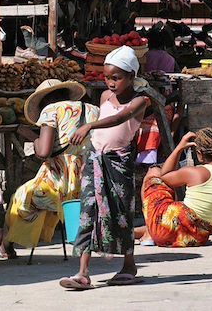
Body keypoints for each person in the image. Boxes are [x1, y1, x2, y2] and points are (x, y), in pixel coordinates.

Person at [59, 46, 148, 289]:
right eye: (107, 77)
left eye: (116, 78)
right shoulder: (104, 98)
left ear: (131, 76)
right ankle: (83, 272)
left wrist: (90, 126)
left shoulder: (141, 100)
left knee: (122, 213)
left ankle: (129, 264)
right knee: (88, 212)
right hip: (95, 162)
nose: (110, 83)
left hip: (119, 165)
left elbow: (120, 119)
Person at [0, 79, 99, 258]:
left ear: (45, 100)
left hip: (60, 183)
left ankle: (3, 241)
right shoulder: (93, 110)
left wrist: (31, 137)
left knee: (21, 197)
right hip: (88, 180)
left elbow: (43, 152)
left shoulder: (51, 110)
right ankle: (2, 239)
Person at [135, 128, 212, 248]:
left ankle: (149, 232)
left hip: (166, 231)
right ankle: (146, 232)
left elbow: (164, 176)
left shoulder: (195, 172)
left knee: (154, 172)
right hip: (196, 238)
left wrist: (179, 147)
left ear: (199, 153)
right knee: (174, 218)